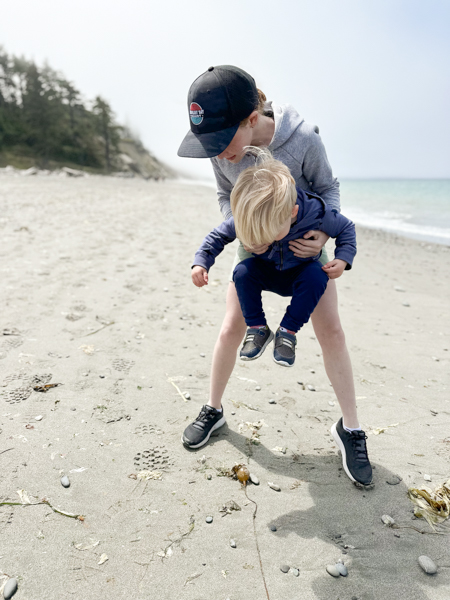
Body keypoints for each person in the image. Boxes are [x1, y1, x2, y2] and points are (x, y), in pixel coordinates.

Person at [178, 65, 372, 486]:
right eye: (209, 145)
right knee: (231, 325)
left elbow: (329, 188)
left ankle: (351, 428)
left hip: (304, 243)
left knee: (332, 331)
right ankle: (213, 408)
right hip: (255, 241)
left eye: (221, 142)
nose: (218, 154)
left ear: (251, 120)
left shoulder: (303, 139)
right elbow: (225, 197)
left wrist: (323, 235)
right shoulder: (219, 150)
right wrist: (248, 227)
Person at [192, 150, 357, 370]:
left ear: (293, 212)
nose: (266, 237)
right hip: (265, 269)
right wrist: (201, 262)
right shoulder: (251, 213)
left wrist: (343, 259)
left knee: (318, 275)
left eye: (272, 231)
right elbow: (218, 236)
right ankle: (257, 328)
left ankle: (288, 332)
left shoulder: (315, 212)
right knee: (242, 271)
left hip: (301, 273)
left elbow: (346, 228)